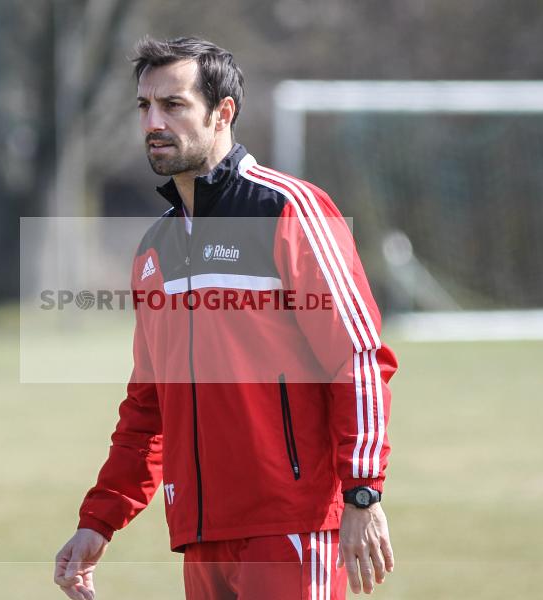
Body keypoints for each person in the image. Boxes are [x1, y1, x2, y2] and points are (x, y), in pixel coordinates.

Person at [54, 36, 398, 600]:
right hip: (201, 535)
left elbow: (357, 358)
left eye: (174, 104)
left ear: (223, 112)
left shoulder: (288, 210)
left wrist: (363, 492)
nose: (153, 122)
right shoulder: (154, 248)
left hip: (291, 527)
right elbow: (148, 406)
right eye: (144, 106)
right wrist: (100, 520)